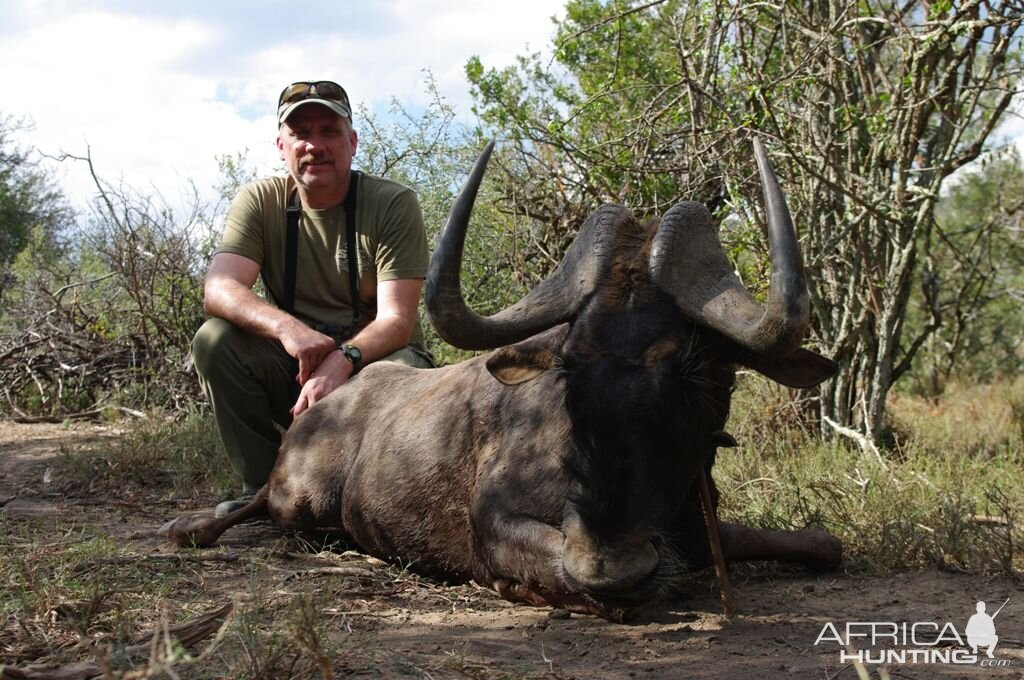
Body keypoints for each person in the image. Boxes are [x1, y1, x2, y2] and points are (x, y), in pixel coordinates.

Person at [192, 80, 434, 516]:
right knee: (215, 340)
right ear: (281, 144)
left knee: (412, 376)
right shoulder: (260, 200)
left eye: (329, 131)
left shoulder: (392, 203)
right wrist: (289, 330)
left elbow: (397, 321)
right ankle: (264, 491)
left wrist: (339, 362)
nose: (314, 146)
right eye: (301, 133)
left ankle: (380, 503)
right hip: (298, 366)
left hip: (375, 366)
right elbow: (219, 288)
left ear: (352, 142)